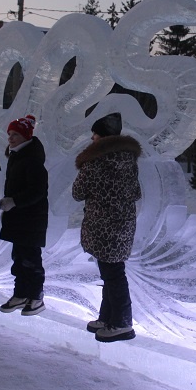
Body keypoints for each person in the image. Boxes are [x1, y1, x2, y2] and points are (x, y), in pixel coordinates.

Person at [72, 113, 142, 343]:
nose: (92, 138)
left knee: (113, 274)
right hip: (123, 225)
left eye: (95, 134)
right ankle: (108, 317)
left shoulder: (95, 162)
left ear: (102, 138)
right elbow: (136, 192)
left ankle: (122, 323)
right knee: (111, 272)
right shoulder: (128, 161)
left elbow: (77, 193)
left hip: (102, 226)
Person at [0, 115, 49, 317]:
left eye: (15, 134)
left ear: (26, 136)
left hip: (31, 219)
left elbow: (38, 191)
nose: (10, 138)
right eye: (9, 134)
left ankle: (36, 296)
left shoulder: (32, 159)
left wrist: (15, 201)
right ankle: (21, 294)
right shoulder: (17, 156)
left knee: (30, 259)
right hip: (19, 218)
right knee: (18, 258)